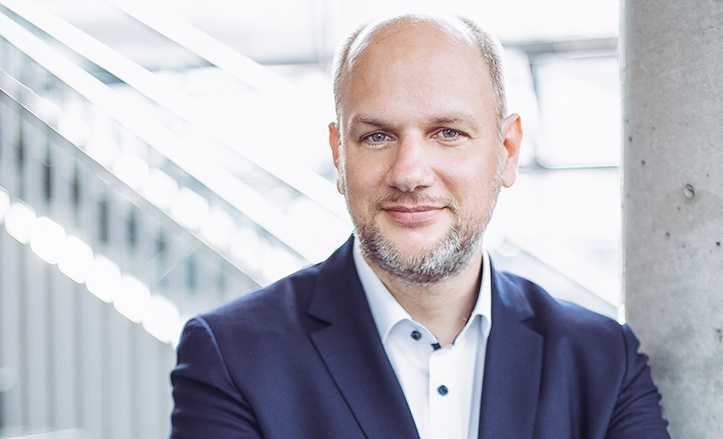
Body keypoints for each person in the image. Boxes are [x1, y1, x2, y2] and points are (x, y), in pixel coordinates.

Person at [169, 13, 670, 439]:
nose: (409, 173)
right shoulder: (233, 356)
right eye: (377, 136)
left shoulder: (603, 361)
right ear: (339, 155)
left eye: (447, 133)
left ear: (507, 150)